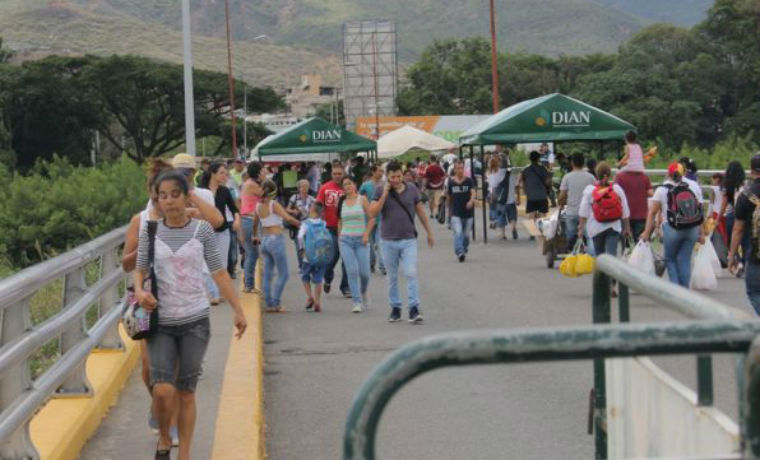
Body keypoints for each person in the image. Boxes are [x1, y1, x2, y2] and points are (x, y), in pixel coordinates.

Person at [134, 170, 247, 460]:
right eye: (163, 196)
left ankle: (183, 454)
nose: (169, 201)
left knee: (186, 392)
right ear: (156, 200)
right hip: (161, 321)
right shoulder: (150, 230)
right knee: (161, 390)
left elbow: (218, 272)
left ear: (186, 196)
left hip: (195, 321)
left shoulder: (202, 230)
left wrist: (238, 309)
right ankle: (163, 436)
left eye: (175, 194)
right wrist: (140, 291)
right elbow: (140, 269)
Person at [370, 160, 435, 323]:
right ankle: (395, 308)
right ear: (387, 176)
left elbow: (420, 212)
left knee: (411, 272)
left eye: (398, 176)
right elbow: (373, 212)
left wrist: (429, 232)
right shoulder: (379, 190)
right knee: (392, 277)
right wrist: (385, 193)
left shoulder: (412, 189)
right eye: (392, 177)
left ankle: (413, 308)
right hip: (388, 240)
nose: (396, 180)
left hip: (408, 239)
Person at [641, 162, 706, 288]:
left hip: (672, 228)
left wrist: (646, 232)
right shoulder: (692, 187)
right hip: (692, 228)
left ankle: (676, 291)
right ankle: (685, 291)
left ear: (668, 174)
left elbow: (652, 213)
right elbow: (699, 209)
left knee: (670, 259)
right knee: (685, 259)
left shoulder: (662, 189)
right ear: (683, 173)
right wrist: (701, 232)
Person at [578, 162, 631, 296]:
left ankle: (601, 286)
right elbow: (625, 209)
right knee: (611, 257)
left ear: (596, 174)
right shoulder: (617, 189)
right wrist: (627, 227)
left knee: (599, 257)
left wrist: (580, 227)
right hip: (613, 227)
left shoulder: (590, 190)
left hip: (595, 228)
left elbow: (583, 211)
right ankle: (612, 286)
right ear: (610, 174)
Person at [252, 180, 302, 312]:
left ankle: (269, 304)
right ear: (274, 191)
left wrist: (254, 236)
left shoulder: (258, 205)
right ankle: (276, 303)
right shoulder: (273, 204)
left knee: (268, 274)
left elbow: (255, 223)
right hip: (276, 239)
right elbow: (288, 218)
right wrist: (301, 224)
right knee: (284, 274)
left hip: (265, 240)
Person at [200, 162, 241, 305]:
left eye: (226, 173)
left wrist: (237, 220)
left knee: (221, 264)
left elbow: (234, 208)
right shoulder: (201, 191)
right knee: (205, 264)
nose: (225, 176)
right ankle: (213, 293)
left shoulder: (225, 191)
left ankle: (218, 292)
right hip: (205, 232)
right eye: (222, 173)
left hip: (222, 231)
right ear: (213, 173)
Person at [338, 176, 375, 313]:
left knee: (364, 273)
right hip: (345, 240)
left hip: (361, 240)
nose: (347, 186)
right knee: (352, 271)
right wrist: (339, 236)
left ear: (355, 185)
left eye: (349, 183)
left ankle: (364, 291)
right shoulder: (341, 201)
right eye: (344, 184)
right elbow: (339, 221)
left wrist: (366, 234)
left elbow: (372, 219)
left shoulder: (362, 199)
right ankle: (356, 301)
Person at [729, 154, 760, 313]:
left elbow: (738, 229)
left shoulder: (746, 195)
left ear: (751, 170)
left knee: (754, 291)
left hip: (756, 254)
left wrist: (732, 255)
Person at [316, 162, 350, 297]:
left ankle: (345, 287)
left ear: (344, 174)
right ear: (331, 174)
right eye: (335, 174)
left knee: (346, 258)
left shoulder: (349, 187)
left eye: (339, 174)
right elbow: (318, 205)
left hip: (347, 229)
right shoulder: (325, 188)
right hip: (330, 228)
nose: (337, 176)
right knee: (333, 256)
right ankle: (328, 277)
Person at [559, 153, 596, 252]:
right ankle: (591, 257)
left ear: (572, 163)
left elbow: (562, 196)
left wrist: (561, 205)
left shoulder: (567, 177)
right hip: (587, 213)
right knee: (589, 237)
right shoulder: (591, 177)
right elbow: (596, 194)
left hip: (572, 212)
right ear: (583, 163)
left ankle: (572, 253)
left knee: (571, 235)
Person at [297, 202, 328, 313]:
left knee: (305, 276)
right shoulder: (323, 223)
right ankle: (318, 302)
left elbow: (300, 236)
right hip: (321, 255)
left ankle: (310, 297)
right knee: (318, 279)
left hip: (308, 256)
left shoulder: (306, 223)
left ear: (312, 210)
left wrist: (302, 249)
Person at [239, 162, 264, 294]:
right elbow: (268, 194)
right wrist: (265, 180)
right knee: (252, 254)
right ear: (258, 172)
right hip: (250, 220)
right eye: (262, 170)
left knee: (251, 253)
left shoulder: (248, 183)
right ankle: (249, 284)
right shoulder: (252, 185)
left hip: (249, 220)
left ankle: (248, 282)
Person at [614, 162, 653, 243]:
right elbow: (651, 193)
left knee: (624, 243)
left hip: (624, 215)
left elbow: (614, 193)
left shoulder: (619, 177)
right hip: (641, 215)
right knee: (640, 243)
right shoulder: (644, 177)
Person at [359, 165, 386, 275]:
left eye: (383, 171)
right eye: (380, 171)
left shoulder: (385, 186)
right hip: (367, 218)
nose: (381, 173)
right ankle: (371, 263)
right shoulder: (365, 186)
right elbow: (359, 199)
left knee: (380, 242)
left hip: (382, 217)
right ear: (373, 172)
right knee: (369, 243)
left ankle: (383, 266)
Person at [519, 151, 551, 239]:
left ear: (530, 158)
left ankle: (532, 233)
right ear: (538, 158)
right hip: (542, 195)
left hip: (531, 195)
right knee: (542, 215)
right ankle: (541, 232)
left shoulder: (526, 170)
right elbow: (548, 181)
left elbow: (521, 182)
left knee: (531, 215)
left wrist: (527, 188)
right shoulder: (543, 169)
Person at [448, 161, 476, 261]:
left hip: (468, 213)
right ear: (454, 169)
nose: (460, 170)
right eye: (458, 168)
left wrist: (471, 201)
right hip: (456, 213)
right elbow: (449, 198)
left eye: (461, 168)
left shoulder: (469, 181)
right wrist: (449, 213)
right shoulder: (451, 182)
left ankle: (463, 249)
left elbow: (473, 193)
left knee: (466, 235)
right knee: (458, 232)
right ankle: (460, 252)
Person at [286, 179, 316, 269]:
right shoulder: (294, 198)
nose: (305, 188)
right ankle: (302, 266)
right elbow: (287, 209)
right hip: (297, 225)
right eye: (302, 186)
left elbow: (316, 212)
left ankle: (309, 263)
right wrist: (293, 211)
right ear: (299, 188)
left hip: (309, 226)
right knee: (299, 246)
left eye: (306, 186)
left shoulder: (312, 199)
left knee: (309, 245)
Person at [486, 156, 507, 238]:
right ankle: (502, 233)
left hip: (492, 194)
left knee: (492, 209)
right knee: (501, 213)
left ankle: (493, 221)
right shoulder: (502, 171)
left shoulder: (488, 173)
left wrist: (491, 196)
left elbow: (491, 186)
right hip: (501, 193)